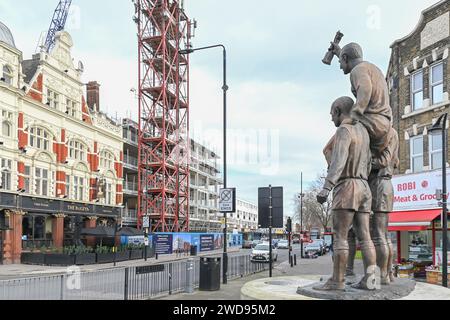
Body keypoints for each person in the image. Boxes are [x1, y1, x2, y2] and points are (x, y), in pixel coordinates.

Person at [314, 96, 376, 291]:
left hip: (347, 186)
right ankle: (371, 280)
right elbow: (369, 162)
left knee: (340, 236)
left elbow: (338, 161)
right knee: (365, 237)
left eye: (332, 114)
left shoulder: (344, 130)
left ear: (339, 111)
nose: (332, 119)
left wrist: (326, 187)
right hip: (364, 187)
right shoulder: (364, 132)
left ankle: (337, 281)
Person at [330, 42, 393, 159]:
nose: (340, 66)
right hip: (384, 122)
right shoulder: (371, 68)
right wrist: (339, 52)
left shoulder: (357, 71)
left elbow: (365, 90)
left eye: (340, 62)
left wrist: (354, 115)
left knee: (332, 145)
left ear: (345, 58)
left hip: (373, 122)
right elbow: (350, 58)